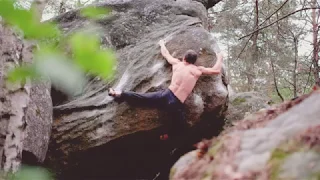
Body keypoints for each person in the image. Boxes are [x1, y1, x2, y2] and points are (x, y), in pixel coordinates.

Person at [109, 39, 223, 140]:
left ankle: (118, 93)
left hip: (166, 94)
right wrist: (219, 58)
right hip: (176, 103)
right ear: (194, 61)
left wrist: (162, 44)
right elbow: (216, 70)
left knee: (142, 98)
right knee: (182, 126)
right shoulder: (198, 70)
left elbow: (166, 54)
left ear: (184, 58)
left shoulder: (177, 64)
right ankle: (166, 136)